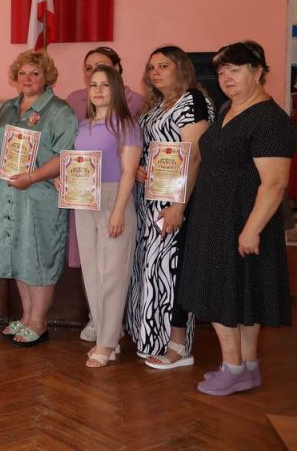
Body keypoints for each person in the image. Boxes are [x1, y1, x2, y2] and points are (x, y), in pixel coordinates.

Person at [180, 41, 296, 395]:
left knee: (222, 295)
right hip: (216, 219)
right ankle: (247, 366)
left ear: (258, 71)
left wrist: (251, 230)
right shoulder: (230, 108)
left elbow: (275, 183)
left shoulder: (270, 119)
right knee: (240, 297)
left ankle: (232, 367)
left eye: (235, 70)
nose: (226, 78)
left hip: (243, 223)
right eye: (221, 71)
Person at [127, 45, 212, 368]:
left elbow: (194, 156)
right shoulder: (155, 106)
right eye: (151, 67)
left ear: (181, 68)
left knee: (170, 272)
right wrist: (139, 169)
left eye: (163, 65)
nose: (156, 72)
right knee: (150, 270)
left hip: (176, 202)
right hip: (148, 199)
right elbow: (151, 151)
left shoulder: (194, 100)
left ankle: (178, 346)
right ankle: (150, 338)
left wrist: (178, 205)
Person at [0, 49, 77, 347]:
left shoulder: (60, 110)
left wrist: (32, 177)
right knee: (19, 255)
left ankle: (39, 322)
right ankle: (27, 316)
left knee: (39, 257)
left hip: (39, 196)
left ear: (47, 77)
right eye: (23, 73)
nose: (28, 79)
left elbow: (64, 156)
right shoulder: (8, 107)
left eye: (35, 73)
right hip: (9, 195)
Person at [63, 46, 144, 342]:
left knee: (112, 276)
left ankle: (107, 344)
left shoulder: (127, 125)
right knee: (93, 274)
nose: (97, 90)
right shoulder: (83, 126)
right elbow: (76, 165)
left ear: (117, 88)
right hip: (84, 202)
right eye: (93, 84)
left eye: (105, 84)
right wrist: (65, 182)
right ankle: (105, 336)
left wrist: (119, 210)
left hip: (113, 200)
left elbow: (128, 172)